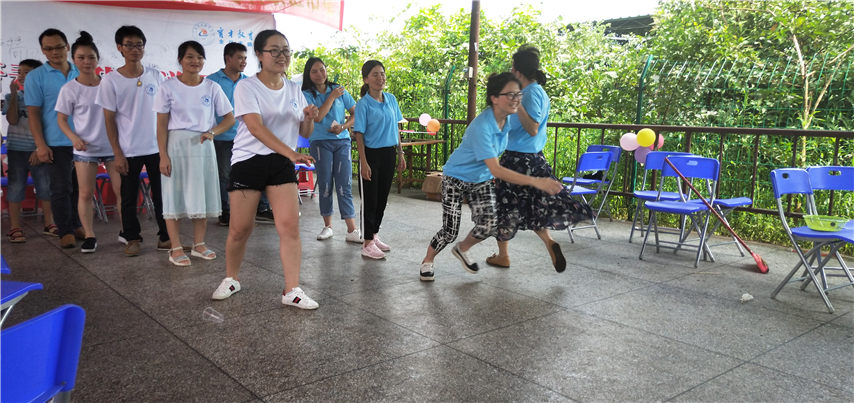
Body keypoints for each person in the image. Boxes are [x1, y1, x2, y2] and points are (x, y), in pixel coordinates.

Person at [210, 29, 320, 309]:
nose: (282, 56)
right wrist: (292, 153)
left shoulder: (294, 89)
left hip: (281, 163)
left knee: (289, 226)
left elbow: (304, 131)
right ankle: (231, 278)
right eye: (275, 50)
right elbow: (256, 128)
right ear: (259, 54)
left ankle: (292, 289)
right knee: (240, 228)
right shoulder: (247, 87)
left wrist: (309, 118)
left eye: (286, 50)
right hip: (248, 160)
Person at [418, 72, 563, 281]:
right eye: (510, 95)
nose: (516, 99)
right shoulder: (482, 126)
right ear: (494, 98)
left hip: (481, 179)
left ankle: (462, 249)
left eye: (518, 94)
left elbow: (532, 131)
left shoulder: (508, 119)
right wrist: (537, 181)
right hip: (456, 178)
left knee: (490, 225)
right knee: (450, 230)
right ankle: (427, 261)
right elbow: (497, 170)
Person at [486, 46, 592, 272]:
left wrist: (517, 104)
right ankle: (549, 243)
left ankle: (503, 255)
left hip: (517, 160)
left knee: (502, 206)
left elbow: (532, 128)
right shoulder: (534, 92)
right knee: (532, 207)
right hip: (533, 159)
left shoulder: (531, 94)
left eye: (512, 68)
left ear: (518, 71)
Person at [155, 41, 234, 266]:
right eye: (190, 57)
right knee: (173, 195)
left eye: (199, 57)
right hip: (176, 145)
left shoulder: (212, 87)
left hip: (202, 145)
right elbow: (161, 125)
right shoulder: (167, 87)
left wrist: (213, 132)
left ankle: (199, 244)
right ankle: (176, 248)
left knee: (201, 194)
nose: (195, 61)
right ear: (180, 60)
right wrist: (163, 155)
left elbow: (229, 118)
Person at [96, 25, 170, 256]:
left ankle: (166, 236)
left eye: (139, 45)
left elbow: (165, 113)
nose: (135, 49)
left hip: (157, 148)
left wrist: (166, 149)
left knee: (162, 195)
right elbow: (109, 120)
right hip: (128, 150)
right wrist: (117, 153)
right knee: (128, 197)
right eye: (129, 45)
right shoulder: (111, 80)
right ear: (120, 48)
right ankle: (132, 238)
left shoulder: (156, 76)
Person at [56, 31, 121, 253]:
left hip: (113, 147)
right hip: (85, 149)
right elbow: (61, 120)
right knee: (85, 193)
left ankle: (127, 232)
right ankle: (90, 235)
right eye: (81, 57)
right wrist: (74, 138)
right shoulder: (69, 89)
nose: (86, 62)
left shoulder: (109, 84)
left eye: (91, 57)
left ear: (98, 59)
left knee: (121, 191)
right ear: (74, 60)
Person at [24, 28, 83, 249]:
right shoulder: (36, 77)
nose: (55, 52)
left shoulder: (81, 70)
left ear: (67, 46)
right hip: (56, 142)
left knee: (80, 188)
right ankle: (65, 230)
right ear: (42, 51)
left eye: (59, 47)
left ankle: (77, 224)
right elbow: (33, 113)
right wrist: (40, 145)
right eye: (48, 49)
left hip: (84, 142)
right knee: (60, 188)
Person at [206, 42, 275, 226]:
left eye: (245, 58)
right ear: (228, 58)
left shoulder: (249, 82)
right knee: (225, 175)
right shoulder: (212, 81)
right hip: (222, 137)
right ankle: (226, 212)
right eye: (239, 58)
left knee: (259, 171)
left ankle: (262, 209)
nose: (244, 61)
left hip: (247, 137)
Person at [301, 57, 362, 243]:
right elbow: (318, 117)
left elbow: (356, 113)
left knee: (344, 185)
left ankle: (352, 230)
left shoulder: (339, 89)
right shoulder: (306, 94)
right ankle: (328, 226)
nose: (320, 74)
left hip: (342, 141)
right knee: (326, 184)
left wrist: (344, 126)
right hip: (320, 142)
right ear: (308, 75)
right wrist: (332, 97)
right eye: (314, 71)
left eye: (322, 69)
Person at [352, 60, 405, 259]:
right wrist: (364, 162)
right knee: (370, 199)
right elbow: (359, 134)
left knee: (382, 197)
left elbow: (396, 128)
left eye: (382, 73)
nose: (380, 78)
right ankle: (367, 243)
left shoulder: (391, 99)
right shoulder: (363, 104)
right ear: (366, 79)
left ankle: (374, 235)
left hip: (389, 153)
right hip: (371, 154)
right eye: (375, 74)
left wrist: (400, 152)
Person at [3, 59, 56, 243]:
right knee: (15, 187)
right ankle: (15, 228)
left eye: (27, 72)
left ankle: (49, 223)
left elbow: (49, 125)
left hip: (39, 150)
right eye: (20, 72)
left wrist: (39, 148)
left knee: (45, 187)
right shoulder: (13, 97)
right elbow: (12, 120)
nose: (22, 75)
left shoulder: (46, 98)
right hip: (16, 150)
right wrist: (13, 95)